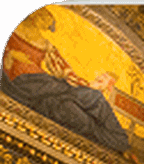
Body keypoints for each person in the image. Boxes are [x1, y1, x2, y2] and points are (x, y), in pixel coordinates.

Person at [1, 8, 131, 153]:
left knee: (90, 100)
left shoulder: (44, 43)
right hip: (22, 83)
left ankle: (121, 143)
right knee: (78, 109)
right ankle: (117, 142)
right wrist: (11, 54)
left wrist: (88, 84)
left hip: (43, 83)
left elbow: (63, 70)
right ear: (34, 14)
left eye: (48, 22)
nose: (47, 25)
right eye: (45, 19)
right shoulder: (13, 28)